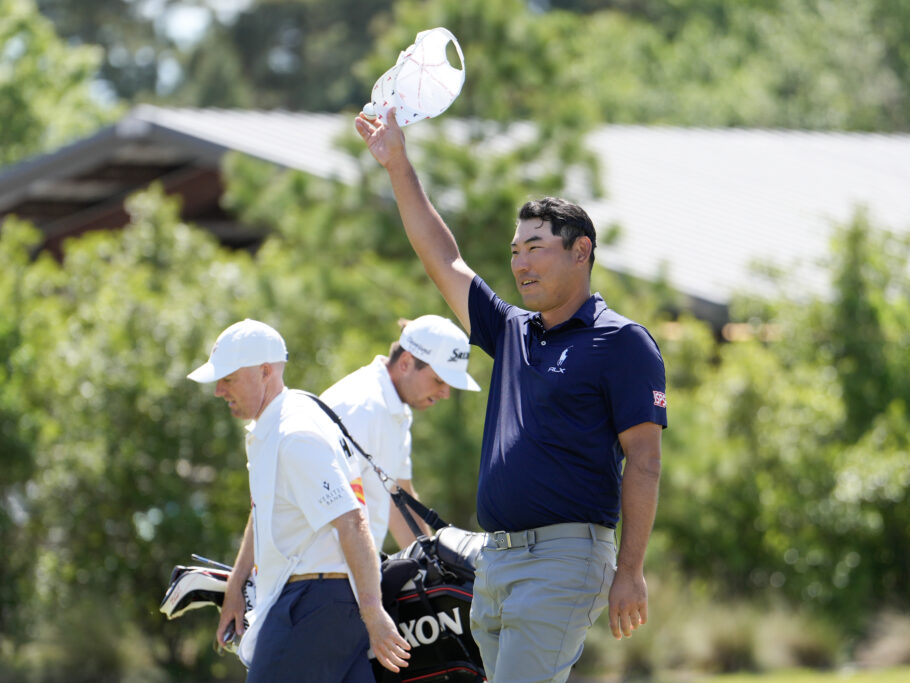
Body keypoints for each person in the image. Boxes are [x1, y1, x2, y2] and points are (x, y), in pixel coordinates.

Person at [355, 109, 668, 682]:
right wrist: (398, 164)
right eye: (515, 250)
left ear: (582, 251)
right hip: (497, 561)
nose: (520, 262)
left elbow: (645, 463)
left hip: (564, 562)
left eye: (537, 247)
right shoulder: (513, 330)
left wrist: (632, 569)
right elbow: (442, 257)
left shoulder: (622, 342)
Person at [187, 318, 410, 681]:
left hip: (311, 602)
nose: (218, 390)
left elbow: (351, 521)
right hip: (327, 603)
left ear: (264, 372)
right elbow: (263, 509)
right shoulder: (280, 424)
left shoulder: (295, 434)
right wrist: (236, 584)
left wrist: (374, 612)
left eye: (228, 378)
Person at [320, 314, 480, 550]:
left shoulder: (394, 409)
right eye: (439, 380)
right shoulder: (362, 407)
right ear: (405, 363)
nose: (446, 393)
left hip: (348, 573)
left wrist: (431, 564)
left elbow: (399, 500)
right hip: (323, 573)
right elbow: (326, 503)